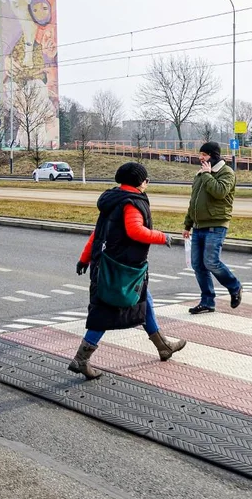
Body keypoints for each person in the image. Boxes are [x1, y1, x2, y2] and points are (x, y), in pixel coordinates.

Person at [68, 162, 186, 379]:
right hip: (121, 269)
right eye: (146, 179)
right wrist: (163, 236)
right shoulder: (131, 202)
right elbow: (135, 231)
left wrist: (84, 259)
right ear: (140, 182)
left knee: (143, 300)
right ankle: (81, 359)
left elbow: (98, 233)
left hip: (108, 265)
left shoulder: (113, 199)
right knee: (106, 311)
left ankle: (163, 346)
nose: (147, 183)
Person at [183, 142, 242, 314]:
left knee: (211, 262)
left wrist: (207, 175)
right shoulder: (201, 173)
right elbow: (194, 202)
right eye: (200, 154)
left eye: (204, 155)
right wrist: (188, 224)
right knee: (198, 265)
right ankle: (207, 301)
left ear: (214, 155)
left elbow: (219, 192)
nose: (201, 158)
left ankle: (235, 286)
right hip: (198, 226)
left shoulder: (227, 172)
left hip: (216, 224)